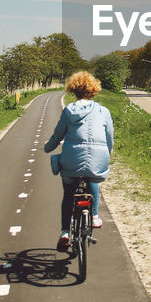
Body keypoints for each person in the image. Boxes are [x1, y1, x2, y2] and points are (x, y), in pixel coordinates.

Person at [43, 70, 114, 249]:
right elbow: (109, 137)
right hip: (98, 157)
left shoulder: (69, 111)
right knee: (93, 177)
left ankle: (65, 231)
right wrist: (106, 153)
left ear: (73, 89)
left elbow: (57, 135)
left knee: (68, 193)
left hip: (71, 160)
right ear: (94, 90)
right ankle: (95, 216)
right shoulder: (103, 111)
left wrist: (48, 147)